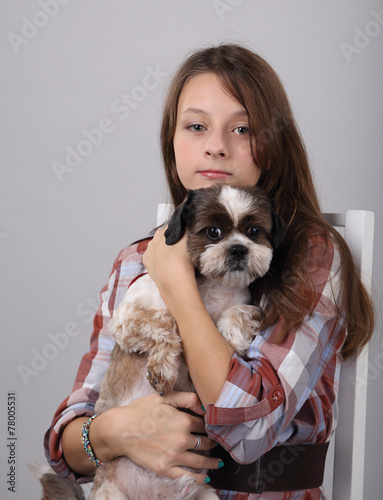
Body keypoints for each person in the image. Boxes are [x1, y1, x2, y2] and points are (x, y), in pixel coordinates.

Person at [44, 44, 375, 499]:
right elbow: (66, 448)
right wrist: (114, 432)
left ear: (273, 143)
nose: (216, 146)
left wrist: (177, 281)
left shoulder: (311, 256)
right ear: (172, 141)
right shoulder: (132, 261)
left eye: (242, 128)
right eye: (196, 126)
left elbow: (250, 430)